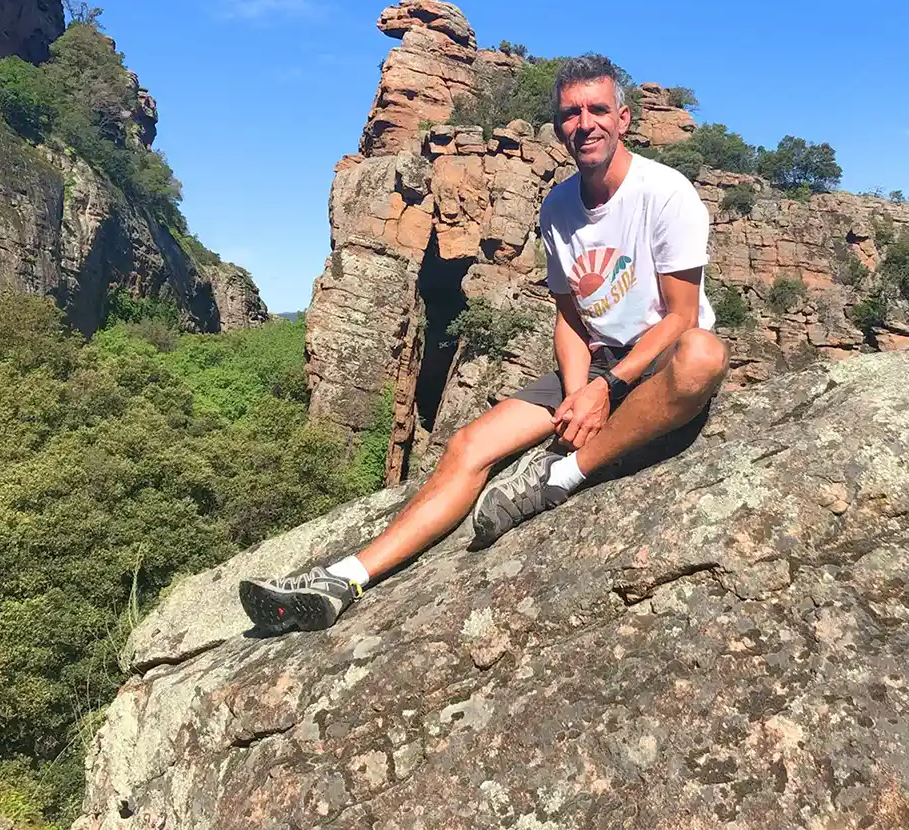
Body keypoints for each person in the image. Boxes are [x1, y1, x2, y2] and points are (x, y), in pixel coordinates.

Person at [239, 55, 729, 632]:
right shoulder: (557, 208)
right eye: (571, 113)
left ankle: (564, 476)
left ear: (624, 120)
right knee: (468, 446)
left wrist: (609, 389)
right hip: (596, 361)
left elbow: (680, 316)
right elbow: (570, 317)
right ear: (558, 126)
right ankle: (344, 578)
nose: (585, 123)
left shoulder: (665, 193)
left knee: (704, 355)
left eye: (598, 109)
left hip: (657, 353)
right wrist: (578, 393)